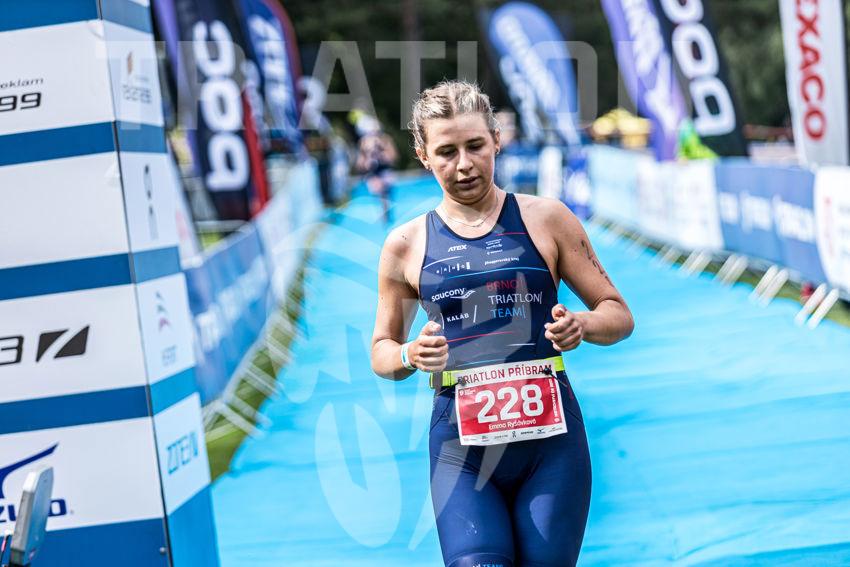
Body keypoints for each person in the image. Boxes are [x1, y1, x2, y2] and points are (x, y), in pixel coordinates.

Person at [370, 81, 634, 567]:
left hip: (551, 448)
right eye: (446, 152)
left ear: (496, 139)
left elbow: (617, 313)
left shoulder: (547, 219)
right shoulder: (405, 245)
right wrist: (409, 354)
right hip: (461, 452)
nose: (464, 165)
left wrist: (582, 324)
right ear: (423, 156)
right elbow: (381, 351)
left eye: (475, 145)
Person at [356, 125, 398, 224]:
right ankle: (384, 214)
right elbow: (360, 163)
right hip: (373, 174)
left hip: (385, 171)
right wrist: (366, 163)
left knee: (387, 195)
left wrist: (383, 154)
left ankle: (387, 214)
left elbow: (393, 157)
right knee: (379, 195)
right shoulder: (363, 142)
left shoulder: (385, 139)